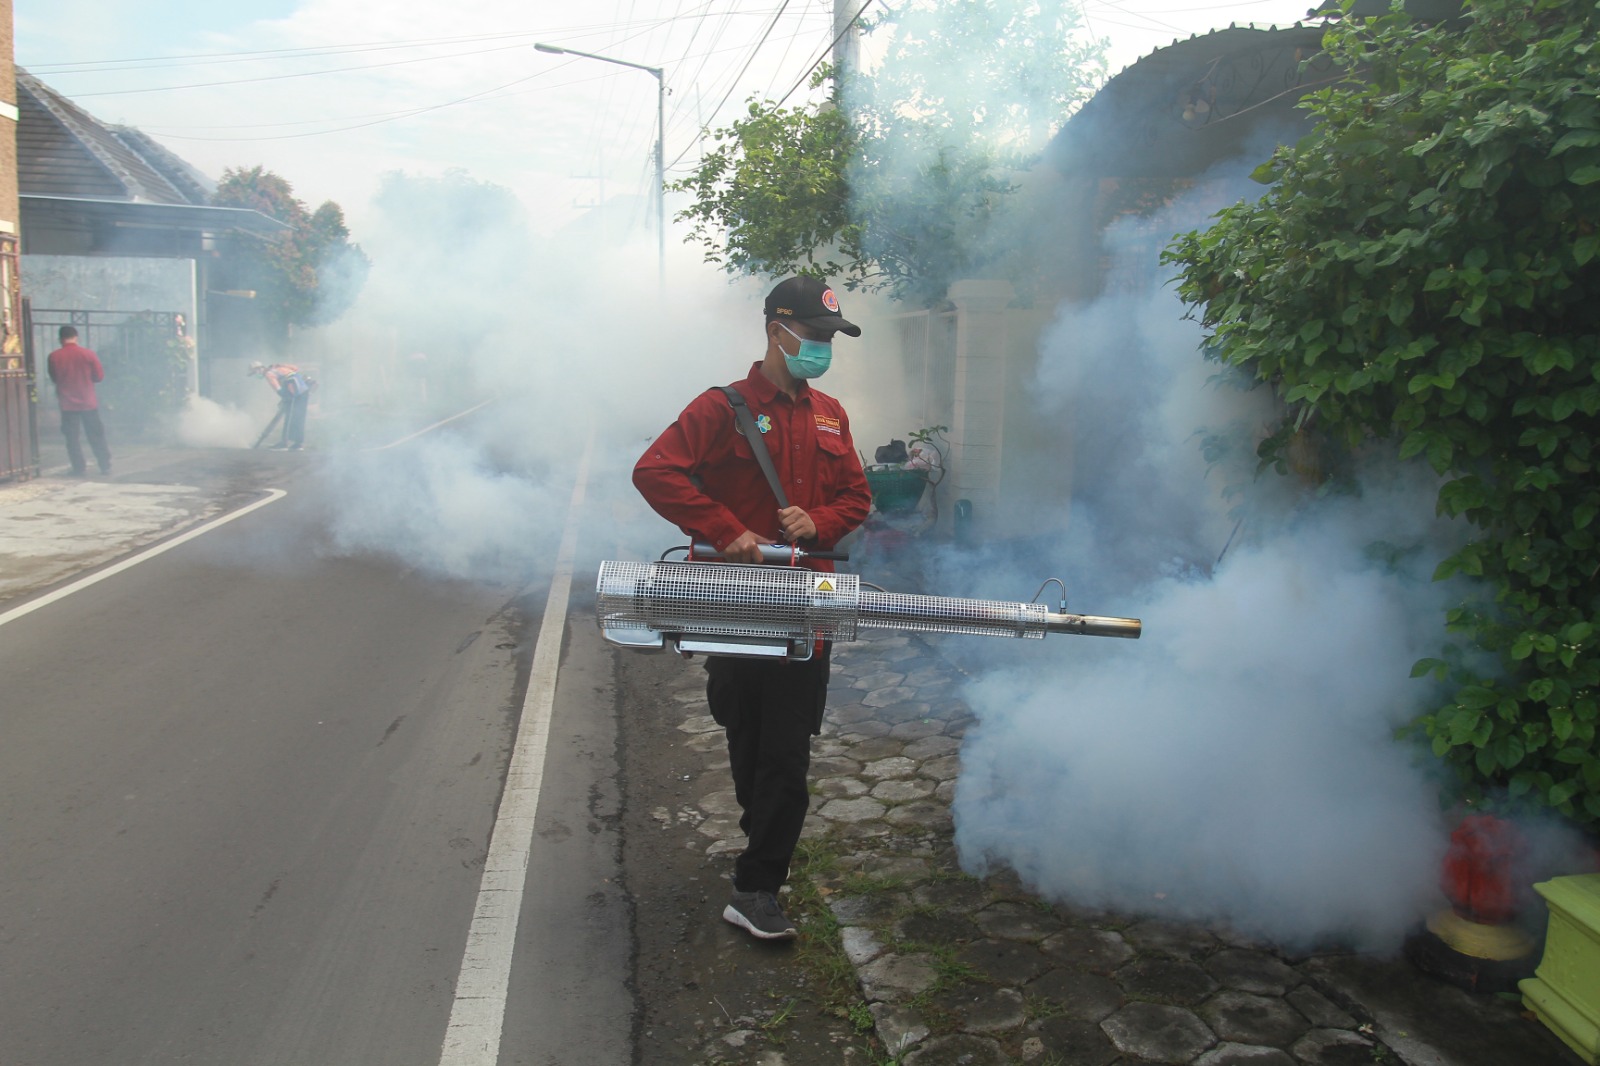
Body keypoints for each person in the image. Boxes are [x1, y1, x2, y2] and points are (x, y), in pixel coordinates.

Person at [634, 276, 873, 941]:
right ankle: (760, 844)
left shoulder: (831, 414)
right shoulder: (722, 409)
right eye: (817, 336)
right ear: (778, 329)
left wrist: (816, 520)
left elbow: (857, 499)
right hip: (736, 608)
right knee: (745, 731)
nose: (824, 348)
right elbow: (656, 471)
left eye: (831, 338)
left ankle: (758, 885)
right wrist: (722, 529)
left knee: (787, 756)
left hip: (804, 610)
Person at [46, 326, 111, 476]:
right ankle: (104, 464)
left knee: (72, 438)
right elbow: (99, 376)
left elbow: (54, 378)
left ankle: (78, 467)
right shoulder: (88, 354)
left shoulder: (54, 357)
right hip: (88, 402)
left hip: (67, 404)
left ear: (60, 339)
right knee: (95, 434)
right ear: (76, 337)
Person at [249, 361, 312, 450]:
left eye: (254, 373)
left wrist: (285, 398)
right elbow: (295, 368)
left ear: (258, 369)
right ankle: (298, 444)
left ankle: (284, 443)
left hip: (295, 391)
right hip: (303, 390)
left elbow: (278, 389)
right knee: (299, 418)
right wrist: (282, 365)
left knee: (289, 418)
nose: (255, 375)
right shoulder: (277, 368)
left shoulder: (269, 374)